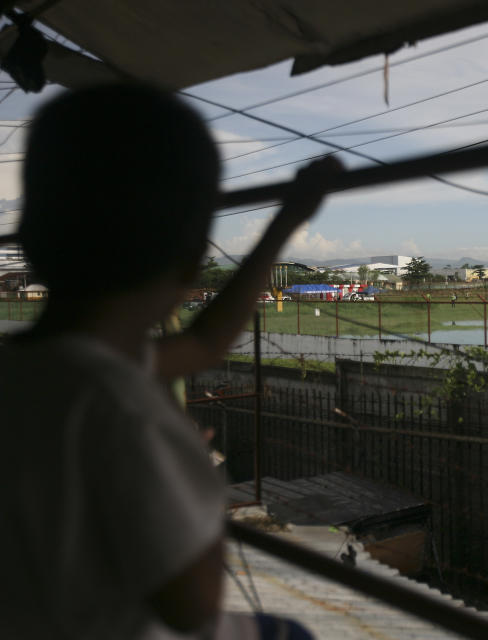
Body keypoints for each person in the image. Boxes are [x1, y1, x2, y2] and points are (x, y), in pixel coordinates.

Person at [0, 84, 340, 639]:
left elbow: (205, 344)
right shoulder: (124, 410)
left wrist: (285, 223)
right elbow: (193, 607)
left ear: (33, 238)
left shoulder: (32, 371)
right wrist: (195, 470)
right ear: (191, 258)